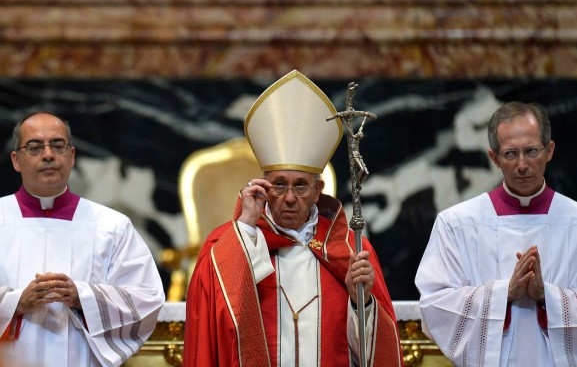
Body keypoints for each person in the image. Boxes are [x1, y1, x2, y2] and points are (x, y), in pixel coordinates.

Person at [183, 70, 403, 366]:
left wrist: (360, 302)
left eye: (300, 185)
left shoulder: (348, 251)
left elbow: (373, 352)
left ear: (317, 191)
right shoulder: (236, 244)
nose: (288, 197)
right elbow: (213, 313)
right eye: (278, 184)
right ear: (263, 187)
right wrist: (247, 223)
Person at [415, 101, 577, 366]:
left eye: (531, 151)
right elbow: (435, 305)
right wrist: (505, 293)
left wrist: (544, 295)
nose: (522, 164)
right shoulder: (456, 224)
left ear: (549, 151)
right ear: (494, 158)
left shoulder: (574, 221)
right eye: (511, 154)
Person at [0, 111, 165, 366]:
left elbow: (146, 298)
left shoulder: (112, 226)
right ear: (16, 160)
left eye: (58, 145)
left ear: (72, 156)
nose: (48, 155)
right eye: (34, 147)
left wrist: (83, 298)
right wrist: (15, 303)